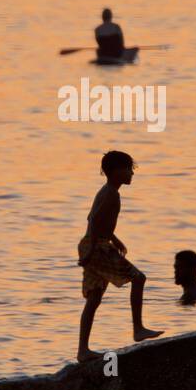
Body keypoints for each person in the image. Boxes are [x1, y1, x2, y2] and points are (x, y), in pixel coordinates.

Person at [76, 150, 160, 361]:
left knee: (94, 298)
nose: (132, 173)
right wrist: (94, 249)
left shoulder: (106, 191)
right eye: (128, 169)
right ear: (115, 172)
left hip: (94, 244)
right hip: (98, 248)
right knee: (139, 278)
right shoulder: (111, 194)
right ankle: (138, 328)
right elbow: (94, 220)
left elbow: (94, 219)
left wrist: (114, 238)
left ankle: (82, 351)